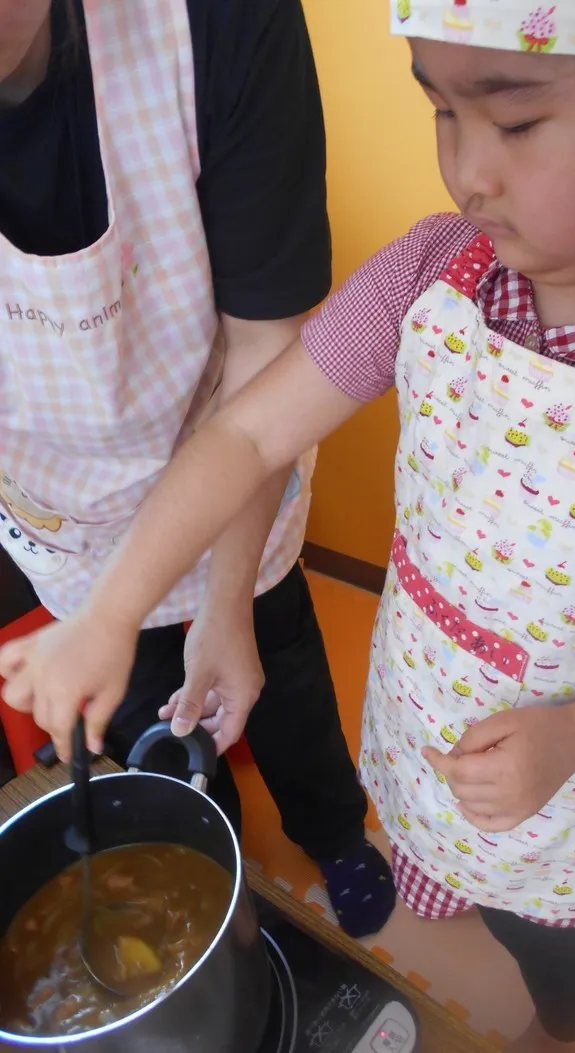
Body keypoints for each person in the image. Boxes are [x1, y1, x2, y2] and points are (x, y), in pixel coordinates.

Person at [4, 0, 575, 1046]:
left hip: (571, 770)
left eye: (512, 124)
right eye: (440, 111)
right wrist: (113, 613)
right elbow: (246, 436)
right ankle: (444, 868)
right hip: (422, 702)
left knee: (537, 926)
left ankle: (574, 1026)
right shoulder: (432, 269)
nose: (468, 171)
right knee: (432, 836)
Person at [0, 0, 396, 942]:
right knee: (151, 723)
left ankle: (336, 834)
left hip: (232, 481)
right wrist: (105, 616)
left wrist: (224, 604)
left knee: (281, 668)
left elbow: (266, 370)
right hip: (67, 523)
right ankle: (213, 860)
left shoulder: (223, 23)